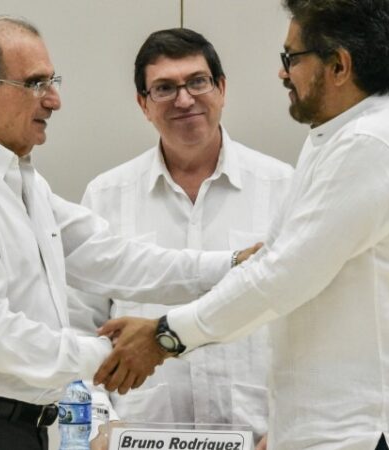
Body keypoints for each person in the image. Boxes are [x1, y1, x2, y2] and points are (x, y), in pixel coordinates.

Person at [92, 1, 389, 449]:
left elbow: (279, 279)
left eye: (292, 58)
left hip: (377, 430)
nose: (282, 73)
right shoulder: (333, 140)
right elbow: (270, 265)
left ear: (339, 66)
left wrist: (165, 335)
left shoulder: (371, 145)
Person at [0, 15, 258, 450]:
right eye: (36, 84)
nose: (53, 100)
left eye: (52, 82)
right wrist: (116, 353)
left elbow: (111, 257)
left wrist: (232, 265)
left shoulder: (20, 181)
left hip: (10, 426)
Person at [68, 28, 292, 448]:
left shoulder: (283, 188)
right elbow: (78, 328)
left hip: (263, 440)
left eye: (197, 82)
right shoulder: (105, 196)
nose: (184, 99)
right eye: (164, 88)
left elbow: (314, 326)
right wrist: (98, 427)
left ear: (222, 88)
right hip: (136, 441)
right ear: (143, 104)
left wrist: (286, 431)